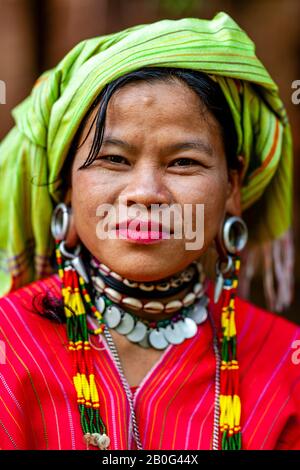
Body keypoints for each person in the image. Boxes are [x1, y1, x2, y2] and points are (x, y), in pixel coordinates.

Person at [0, 12, 299, 451]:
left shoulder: (284, 362)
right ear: (66, 184)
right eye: (114, 159)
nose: (145, 194)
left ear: (232, 186)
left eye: (183, 162)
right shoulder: (10, 345)